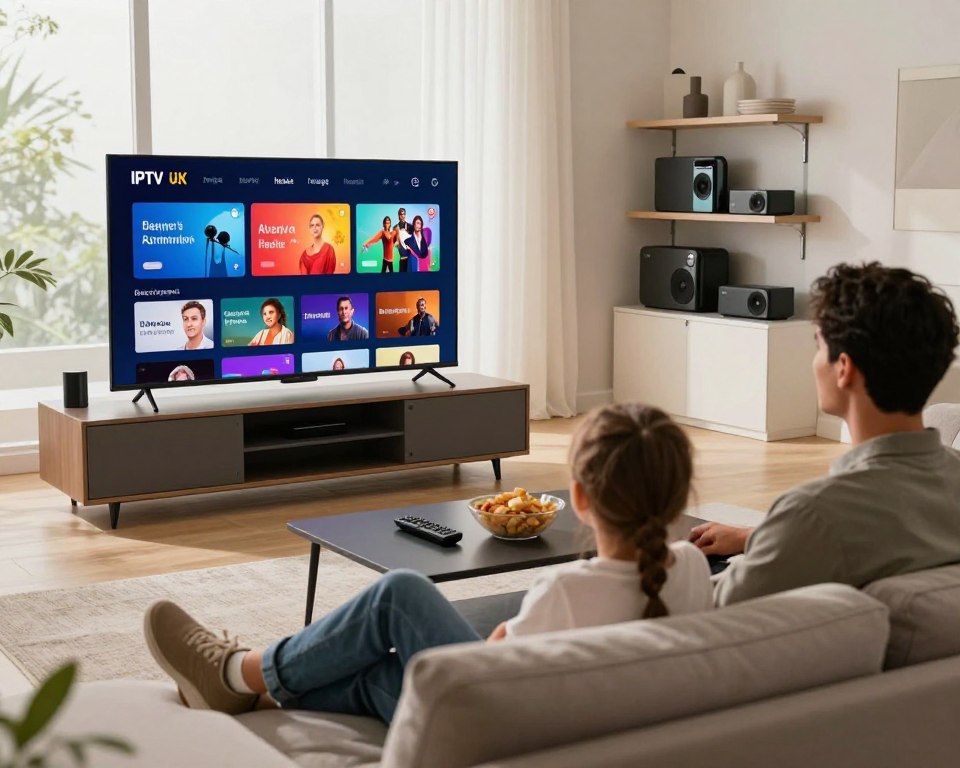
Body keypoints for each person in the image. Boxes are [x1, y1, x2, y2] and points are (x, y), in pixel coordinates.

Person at [142, 403, 712, 723]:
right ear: (680, 495)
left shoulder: (563, 592)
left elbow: (492, 672)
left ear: (578, 500)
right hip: (567, 722)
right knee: (378, 675)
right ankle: (258, 692)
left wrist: (505, 636)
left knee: (399, 594)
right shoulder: (689, 570)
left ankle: (240, 672)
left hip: (494, 730)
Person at [689, 262, 960, 606]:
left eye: (818, 346)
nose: (815, 361)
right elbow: (887, 531)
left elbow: (714, 612)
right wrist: (762, 537)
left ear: (844, 369)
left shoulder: (813, 514)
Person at [393, 207, 413, 273]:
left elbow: (413, 240)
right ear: (399, 215)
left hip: (410, 258)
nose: (403, 216)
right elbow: (394, 242)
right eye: (401, 214)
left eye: (404, 214)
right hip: (402, 258)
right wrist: (400, 247)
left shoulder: (410, 226)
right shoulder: (395, 228)